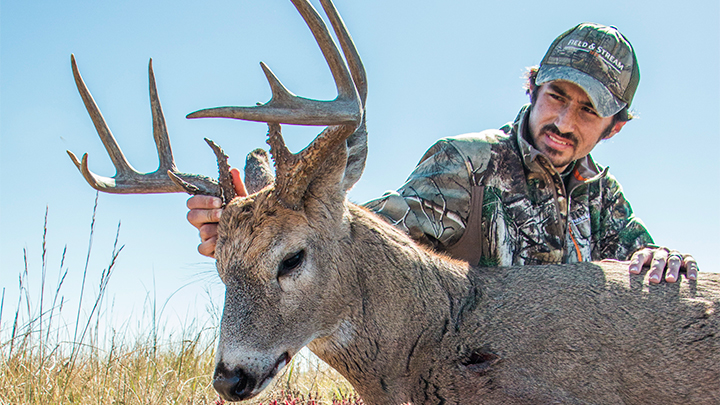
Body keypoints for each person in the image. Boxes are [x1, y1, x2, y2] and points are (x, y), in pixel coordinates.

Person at [187, 22, 699, 283]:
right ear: (532, 87)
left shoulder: (604, 199)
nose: (564, 122)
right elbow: (353, 237)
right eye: (556, 96)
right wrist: (255, 232)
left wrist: (661, 262)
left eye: (588, 111)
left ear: (614, 128)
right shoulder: (467, 164)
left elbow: (640, 263)